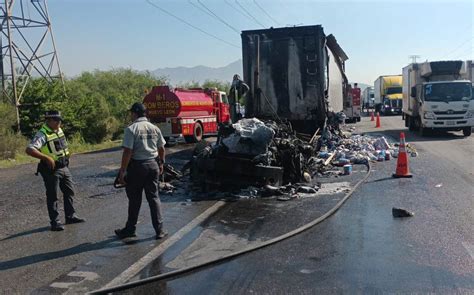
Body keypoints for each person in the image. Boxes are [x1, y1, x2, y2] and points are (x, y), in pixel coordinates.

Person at [115, 102, 168, 240]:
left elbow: (128, 151)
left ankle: (130, 229)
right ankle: (160, 230)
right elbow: (161, 148)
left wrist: (122, 171)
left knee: (134, 199)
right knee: (154, 198)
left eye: (131, 113)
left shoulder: (131, 129)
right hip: (153, 165)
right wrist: (161, 163)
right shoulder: (154, 128)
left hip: (138, 167)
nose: (130, 115)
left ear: (135, 113)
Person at [25, 110, 85, 231]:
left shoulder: (58, 129)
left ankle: (70, 216)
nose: (59, 122)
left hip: (64, 167)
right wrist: (46, 157)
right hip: (51, 170)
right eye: (56, 120)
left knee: (69, 191)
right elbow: (30, 149)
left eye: (60, 120)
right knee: (53, 196)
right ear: (49, 120)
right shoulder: (42, 134)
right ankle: (55, 222)